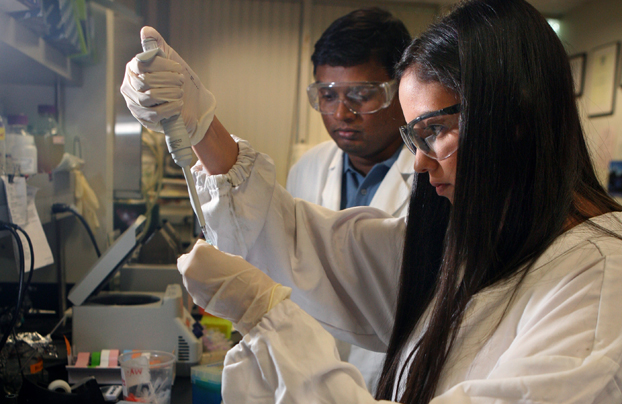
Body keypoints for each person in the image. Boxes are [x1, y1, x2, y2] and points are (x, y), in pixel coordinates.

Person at [121, 0, 622, 402]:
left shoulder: (600, 282)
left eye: (437, 130)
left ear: (517, 113)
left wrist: (270, 318)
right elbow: (314, 247)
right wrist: (201, 124)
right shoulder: (483, 243)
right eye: (415, 137)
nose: (422, 166)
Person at [286, 7, 413, 392]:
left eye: (361, 95)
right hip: (308, 375)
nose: (342, 113)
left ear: (401, 87)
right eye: (327, 95)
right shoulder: (306, 170)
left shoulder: (437, 177)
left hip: (393, 379)